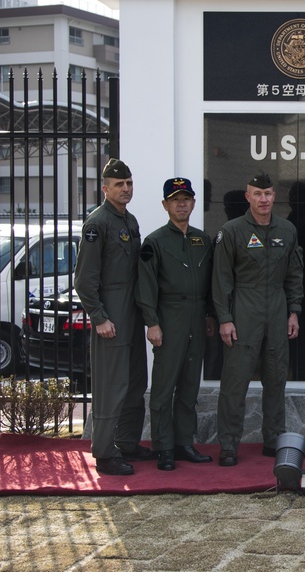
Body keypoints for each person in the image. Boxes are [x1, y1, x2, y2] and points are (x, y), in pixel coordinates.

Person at [213, 173, 304, 467]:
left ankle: (273, 439)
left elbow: (293, 274)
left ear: (274, 195)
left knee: (276, 379)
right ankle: (228, 445)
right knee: (235, 382)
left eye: (267, 193)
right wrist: (225, 319)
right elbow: (221, 280)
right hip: (244, 310)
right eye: (257, 194)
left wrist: (293, 311)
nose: (263, 199)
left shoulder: (287, 230)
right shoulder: (232, 231)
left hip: (277, 310)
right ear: (247, 197)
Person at [74, 158, 154, 475]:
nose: (126, 189)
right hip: (112, 312)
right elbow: (84, 280)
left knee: (136, 380)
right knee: (112, 384)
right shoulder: (98, 223)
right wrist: (99, 316)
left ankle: (128, 443)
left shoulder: (129, 220)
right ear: (105, 188)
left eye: (129, 183)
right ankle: (105, 453)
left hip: (132, 309)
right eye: (119, 184)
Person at [136, 178, 215, 471]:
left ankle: (184, 443)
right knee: (163, 387)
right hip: (169, 317)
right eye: (175, 199)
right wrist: (152, 323)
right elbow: (146, 287)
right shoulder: (154, 242)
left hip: (196, 317)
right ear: (165, 205)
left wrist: (208, 316)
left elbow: (209, 283)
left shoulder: (202, 239)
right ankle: (163, 446)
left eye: (186, 199)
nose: (181, 204)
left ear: (193, 203)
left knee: (189, 386)